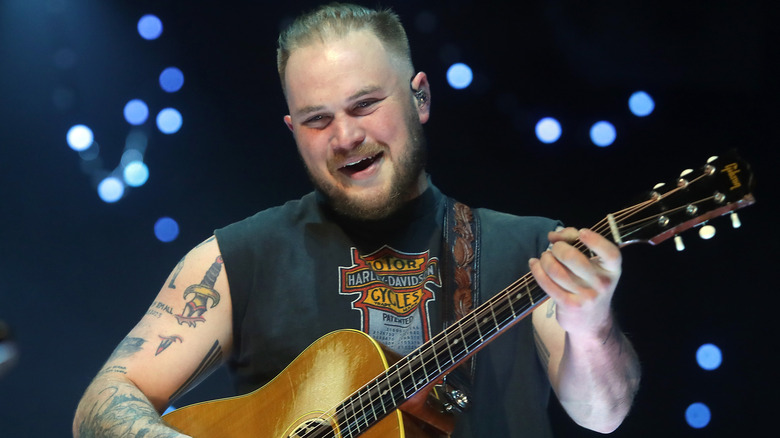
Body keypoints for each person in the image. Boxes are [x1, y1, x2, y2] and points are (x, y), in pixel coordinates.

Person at [73, 3, 640, 437]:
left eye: (365, 105)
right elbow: (103, 401)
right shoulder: (236, 259)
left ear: (420, 99)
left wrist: (592, 326)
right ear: (293, 130)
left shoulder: (530, 249)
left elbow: (604, 414)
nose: (345, 136)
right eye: (317, 120)